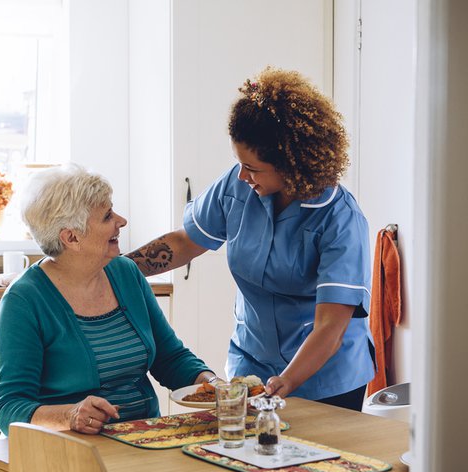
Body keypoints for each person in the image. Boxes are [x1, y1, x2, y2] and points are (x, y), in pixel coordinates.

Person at [127, 67, 374, 411]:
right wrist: (116, 270)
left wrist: (287, 381)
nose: (243, 175)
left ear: (292, 163)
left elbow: (331, 326)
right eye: (239, 163)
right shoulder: (238, 184)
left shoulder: (340, 219)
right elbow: (185, 242)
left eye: (254, 168)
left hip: (324, 379)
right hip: (252, 365)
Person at [0, 164, 217, 436]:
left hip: (143, 439)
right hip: (68, 450)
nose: (121, 221)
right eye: (107, 216)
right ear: (71, 237)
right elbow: (8, 406)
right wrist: (71, 415)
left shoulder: (125, 273)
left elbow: (170, 358)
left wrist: (213, 384)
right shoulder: (25, 299)